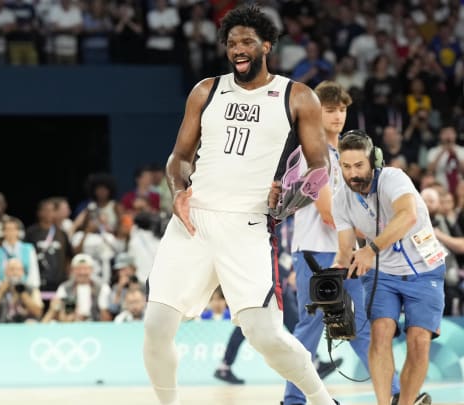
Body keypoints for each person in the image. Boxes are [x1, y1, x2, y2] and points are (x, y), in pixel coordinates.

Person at [142, 5, 335, 405]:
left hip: (247, 224)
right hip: (193, 221)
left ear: (266, 45)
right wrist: (178, 189)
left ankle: (321, 400)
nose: (238, 49)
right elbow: (178, 157)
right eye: (231, 43)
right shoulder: (206, 90)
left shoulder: (298, 97)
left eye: (247, 41)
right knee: (156, 325)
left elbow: (319, 168)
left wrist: (289, 201)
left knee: (265, 336)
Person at [282, 81, 402, 405]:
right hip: (315, 251)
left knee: (356, 326)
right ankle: (293, 399)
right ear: (316, 112)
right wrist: (367, 235)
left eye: (342, 109)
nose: (337, 116)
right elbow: (326, 211)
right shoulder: (313, 152)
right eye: (330, 109)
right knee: (311, 326)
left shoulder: (343, 156)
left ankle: (394, 393)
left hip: (342, 251)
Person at [332, 131, 444, 405]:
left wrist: (371, 249)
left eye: (359, 165)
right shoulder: (340, 198)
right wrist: (333, 279)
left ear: (374, 161)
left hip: (425, 268)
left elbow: (408, 215)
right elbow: (346, 250)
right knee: (380, 334)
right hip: (382, 274)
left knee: (419, 342)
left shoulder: (394, 178)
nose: (352, 174)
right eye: (346, 167)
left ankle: (406, 403)